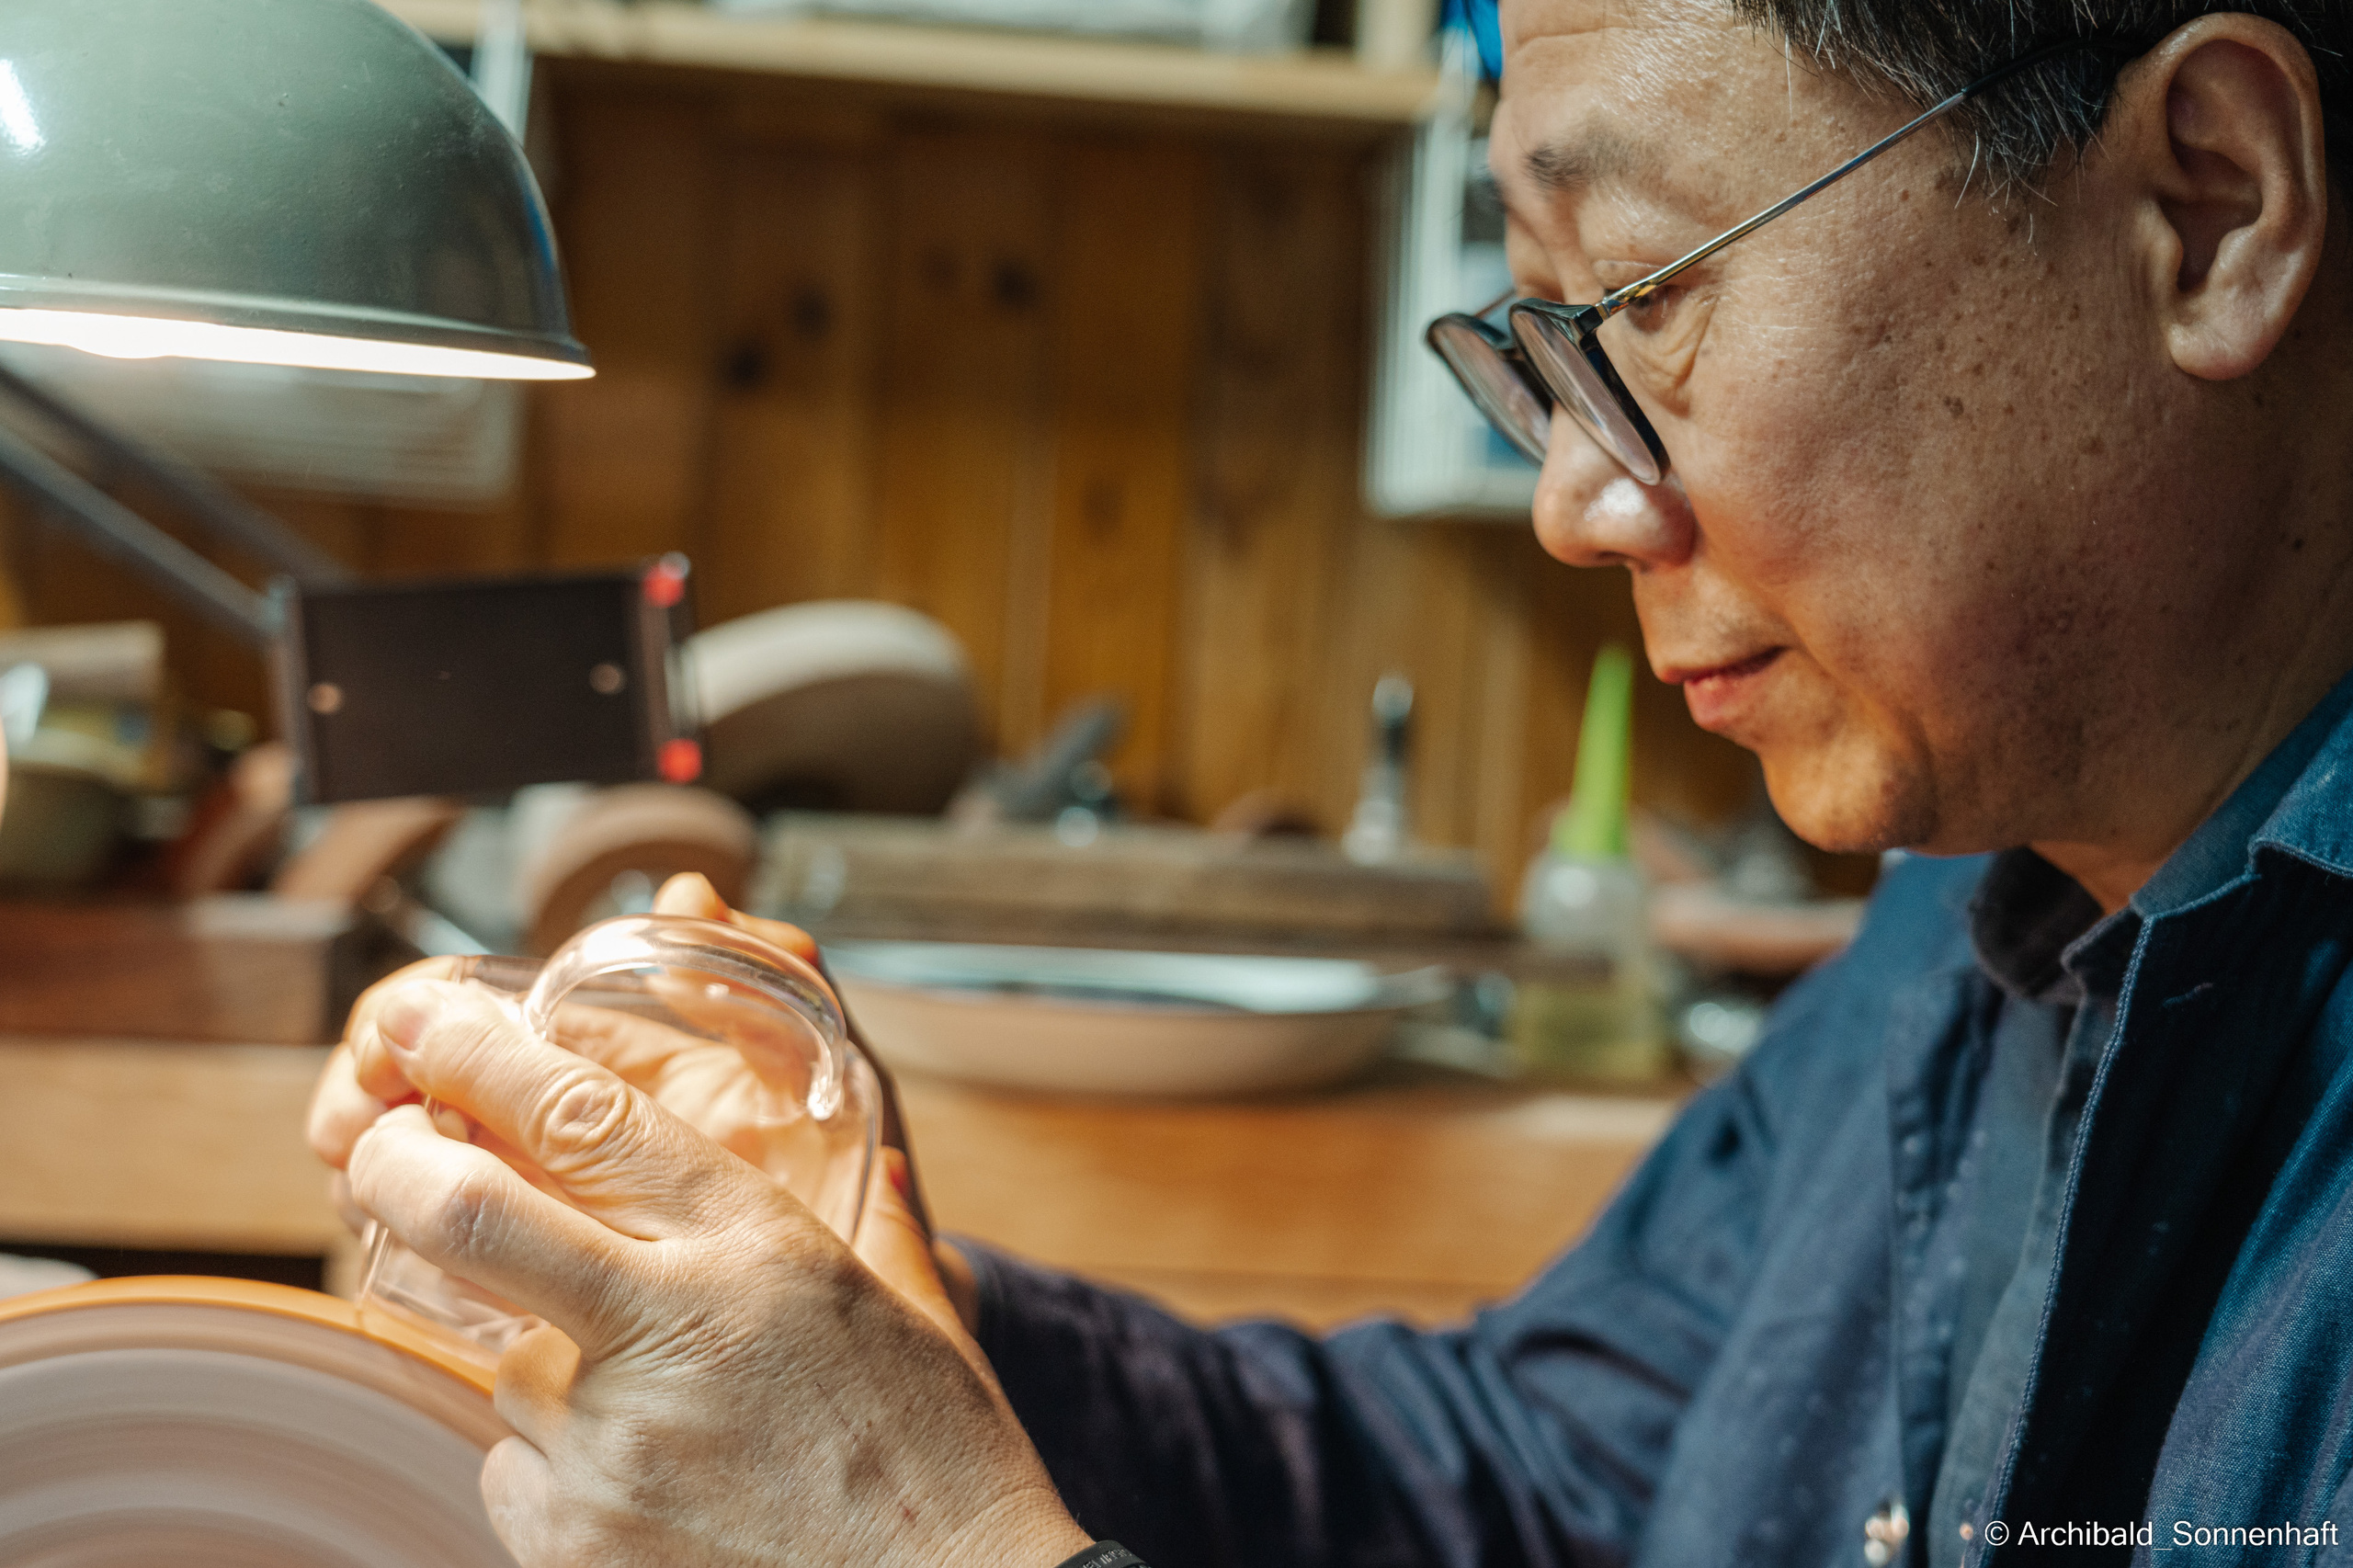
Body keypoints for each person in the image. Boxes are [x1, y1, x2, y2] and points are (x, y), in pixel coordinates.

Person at [310, 0, 2353, 1560]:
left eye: (1639, 298)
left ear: (2205, 208)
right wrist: (826, 1311)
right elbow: (1537, 1482)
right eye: (1543, 334)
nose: (1573, 497)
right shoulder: (1984, 889)